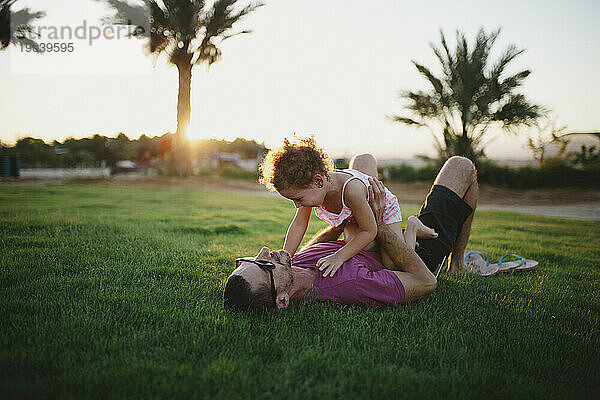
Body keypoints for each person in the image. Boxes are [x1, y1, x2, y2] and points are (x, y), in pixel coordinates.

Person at [223, 155, 478, 313]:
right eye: (263, 265)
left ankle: (390, 217)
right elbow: (425, 282)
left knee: (362, 161)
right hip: (409, 255)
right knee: (461, 165)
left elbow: (310, 241)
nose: (265, 252)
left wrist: (348, 212)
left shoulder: (289, 267)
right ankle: (456, 263)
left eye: (251, 258)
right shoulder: (351, 285)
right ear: (282, 300)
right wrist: (377, 224)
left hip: (367, 228)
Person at [258, 136, 437, 277]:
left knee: (392, 265)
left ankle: (412, 227)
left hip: (383, 212)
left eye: (298, 199)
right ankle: (404, 233)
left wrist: (339, 257)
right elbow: (299, 225)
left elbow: (370, 230)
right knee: (360, 246)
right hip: (355, 216)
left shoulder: (351, 190)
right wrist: (286, 257)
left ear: (318, 181)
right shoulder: (310, 188)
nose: (297, 205)